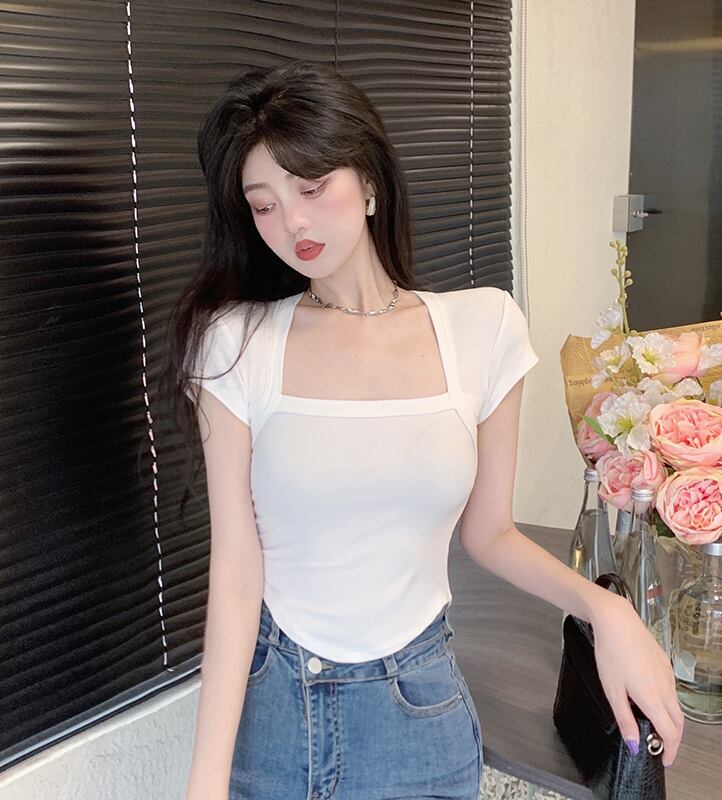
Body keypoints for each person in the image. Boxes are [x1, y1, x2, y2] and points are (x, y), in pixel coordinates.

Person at [171, 60, 683, 800]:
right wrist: (205, 781)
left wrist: (607, 610)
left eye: (311, 188)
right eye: (265, 205)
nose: (294, 224)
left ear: (369, 181)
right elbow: (236, 570)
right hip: (275, 711)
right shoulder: (236, 343)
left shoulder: (483, 328)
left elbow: (489, 534)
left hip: (416, 713)